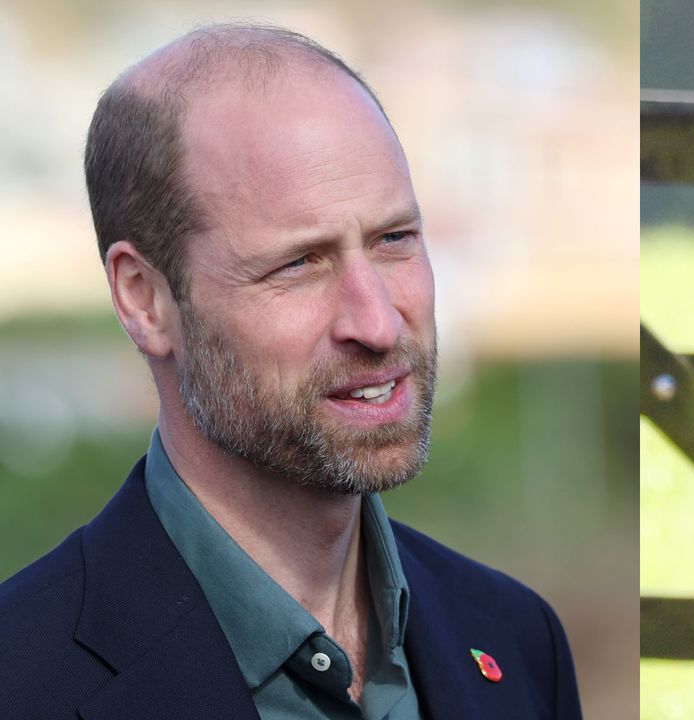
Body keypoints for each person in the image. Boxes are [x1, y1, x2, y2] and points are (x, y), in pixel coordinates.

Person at [0, 23, 581, 719]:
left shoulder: (517, 644)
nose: (378, 323)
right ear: (144, 299)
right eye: (299, 263)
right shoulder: (22, 678)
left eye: (394, 239)